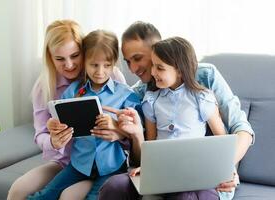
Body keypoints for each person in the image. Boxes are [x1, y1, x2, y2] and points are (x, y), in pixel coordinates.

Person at [96, 21, 254, 200]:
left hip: (205, 172)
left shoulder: (205, 79)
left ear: (157, 51)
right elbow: (145, 149)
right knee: (115, 186)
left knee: (185, 195)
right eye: (128, 62)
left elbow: (241, 129)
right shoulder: (141, 95)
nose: (132, 69)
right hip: (162, 170)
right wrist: (127, 133)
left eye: (138, 58)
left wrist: (225, 168)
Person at [7, 20, 126, 200]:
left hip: (102, 162)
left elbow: (127, 123)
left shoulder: (110, 75)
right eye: (60, 59)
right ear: (50, 57)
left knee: (69, 195)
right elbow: (41, 134)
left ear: (85, 52)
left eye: (75, 55)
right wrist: (53, 141)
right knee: (18, 189)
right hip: (64, 162)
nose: (69, 65)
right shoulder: (45, 86)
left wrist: (118, 131)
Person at [130, 36, 229, 200]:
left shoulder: (202, 98)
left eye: (160, 68)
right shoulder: (151, 100)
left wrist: (225, 171)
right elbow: (151, 143)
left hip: (196, 172)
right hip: (162, 172)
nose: (153, 72)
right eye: (153, 66)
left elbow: (222, 141)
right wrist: (147, 168)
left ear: (180, 70)